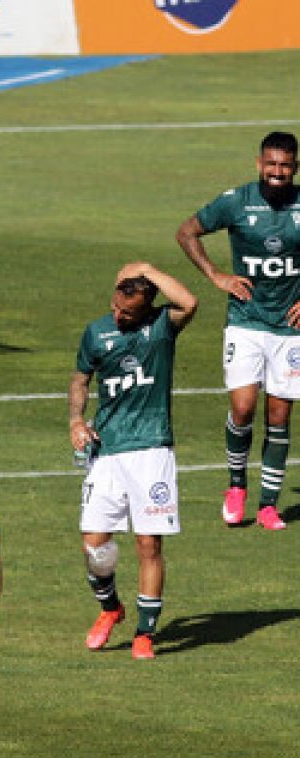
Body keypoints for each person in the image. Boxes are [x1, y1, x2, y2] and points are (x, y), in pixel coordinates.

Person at [68, 263, 198, 660]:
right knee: (94, 544)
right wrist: (76, 419)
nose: (118, 315)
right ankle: (110, 608)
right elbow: (80, 379)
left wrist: (147, 269)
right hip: (107, 450)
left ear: (147, 309)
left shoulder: (162, 326)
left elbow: (189, 301)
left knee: (148, 544)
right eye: (115, 307)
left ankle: (145, 632)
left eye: (127, 312)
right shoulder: (97, 332)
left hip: (152, 449)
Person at [176, 131, 300, 531]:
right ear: (259, 163)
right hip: (246, 321)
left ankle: (267, 506)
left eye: (285, 165)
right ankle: (235, 486)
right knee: (243, 408)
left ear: (295, 167)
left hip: (290, 328)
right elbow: (187, 232)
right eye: (271, 164)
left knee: (279, 415)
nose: (277, 172)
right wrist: (215, 275)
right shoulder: (236, 201)